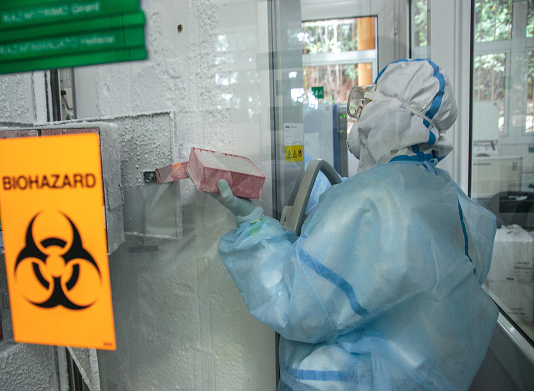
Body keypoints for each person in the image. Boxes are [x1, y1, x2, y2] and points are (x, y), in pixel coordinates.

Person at [210, 59, 498, 390]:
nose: (361, 116)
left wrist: (252, 226)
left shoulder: (367, 202)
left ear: (391, 116)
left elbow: (296, 304)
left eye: (370, 104)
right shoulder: (449, 197)